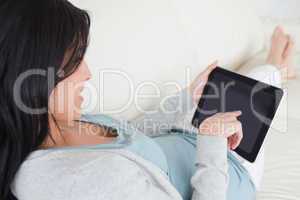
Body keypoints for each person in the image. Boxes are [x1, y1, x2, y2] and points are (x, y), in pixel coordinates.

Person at [0, 0, 296, 199]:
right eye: (75, 62)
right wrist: (212, 144)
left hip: (195, 139)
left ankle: (274, 62)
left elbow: (131, 138)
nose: (88, 74)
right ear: (34, 78)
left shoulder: (56, 123)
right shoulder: (75, 182)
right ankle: (278, 63)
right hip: (230, 171)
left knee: (242, 84)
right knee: (262, 84)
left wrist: (185, 99)